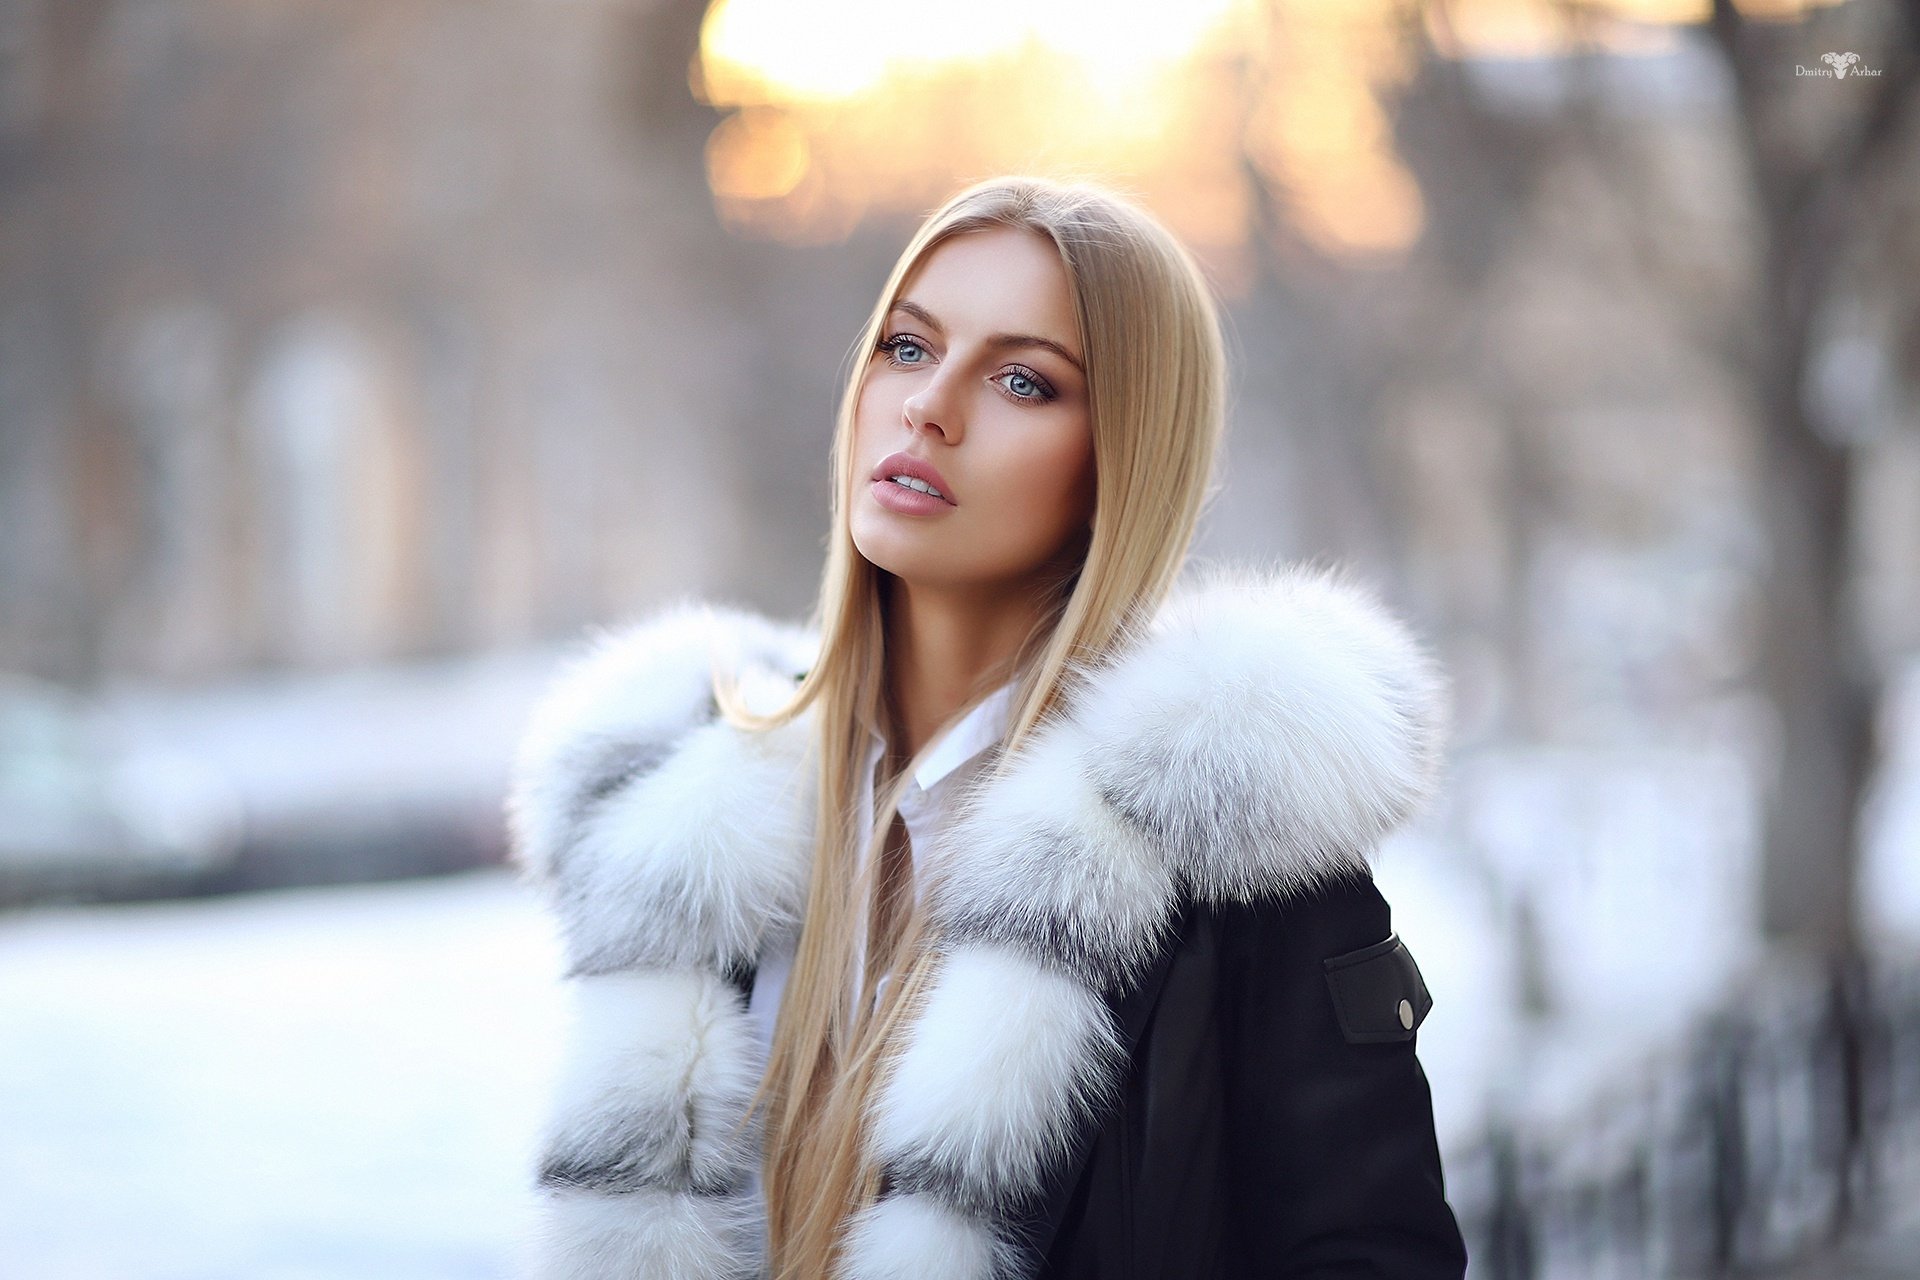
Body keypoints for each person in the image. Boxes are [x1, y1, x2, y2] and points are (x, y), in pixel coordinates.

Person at [505, 174, 1469, 1279]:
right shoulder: (684, 841)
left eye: (1023, 380)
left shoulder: (1235, 864)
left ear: (1120, 462)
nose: (929, 405)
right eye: (908, 347)